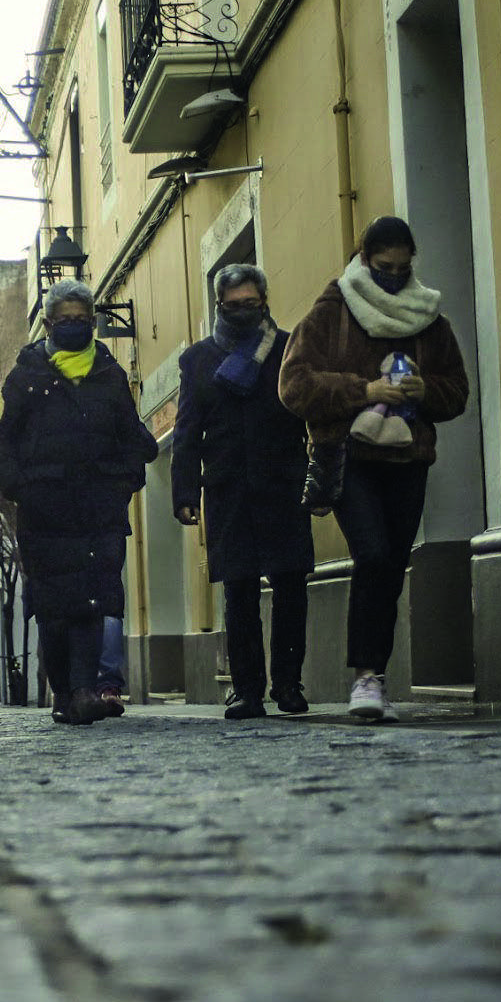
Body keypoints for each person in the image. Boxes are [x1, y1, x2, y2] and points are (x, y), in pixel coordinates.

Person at [280, 216, 469, 722]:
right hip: (349, 454)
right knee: (373, 552)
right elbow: (294, 385)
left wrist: (425, 390)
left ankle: (374, 674)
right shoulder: (331, 313)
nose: (394, 275)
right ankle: (365, 677)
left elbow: (457, 391)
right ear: (364, 260)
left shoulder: (430, 318)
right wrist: (363, 390)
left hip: (408, 457)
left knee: (390, 564)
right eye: (384, 267)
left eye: (403, 268)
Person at [0, 279, 158, 726]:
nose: (74, 327)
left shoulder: (109, 373)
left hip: (100, 507)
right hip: (44, 510)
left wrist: (126, 481)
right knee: (53, 608)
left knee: (92, 601)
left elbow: (130, 434)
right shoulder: (26, 377)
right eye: (65, 320)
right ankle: (63, 690)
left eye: (82, 320)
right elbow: (1, 437)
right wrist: (16, 485)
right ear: (47, 324)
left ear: (94, 322)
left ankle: (84, 689)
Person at [174, 264, 316, 719]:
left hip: (283, 484)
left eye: (250, 304)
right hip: (227, 488)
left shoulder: (290, 347)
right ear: (219, 306)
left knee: (292, 585)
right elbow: (187, 430)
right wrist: (183, 492)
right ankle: (247, 689)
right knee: (238, 592)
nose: (241, 312)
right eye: (232, 306)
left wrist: (323, 472)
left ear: (264, 301)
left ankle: (289, 683)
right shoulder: (197, 359)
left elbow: (310, 412)